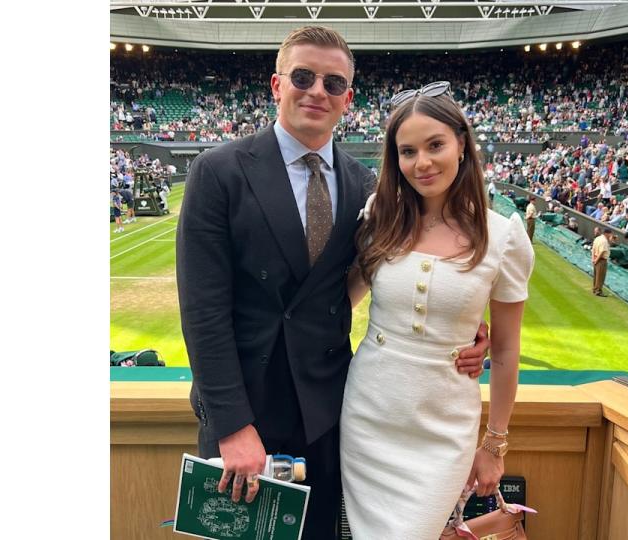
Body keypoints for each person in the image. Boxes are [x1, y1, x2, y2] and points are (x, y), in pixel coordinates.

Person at [175, 27, 488, 540]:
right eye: (303, 77)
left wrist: (470, 328)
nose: (317, 90)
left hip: (330, 414)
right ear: (277, 85)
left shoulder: (368, 186)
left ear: (349, 98)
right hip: (245, 416)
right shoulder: (218, 171)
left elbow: (408, 267)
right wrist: (232, 427)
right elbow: (202, 311)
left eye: (333, 82)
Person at [340, 83, 535, 538]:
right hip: (370, 413)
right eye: (407, 151)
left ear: (462, 144)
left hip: (445, 427)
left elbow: (505, 350)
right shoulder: (379, 217)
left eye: (435, 145)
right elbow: (341, 304)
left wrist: (495, 443)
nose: (422, 162)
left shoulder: (503, 236)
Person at [592, 228, 614, 297]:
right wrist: (597, 260)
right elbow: (602, 252)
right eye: (610, 234)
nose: (611, 235)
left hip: (596, 257)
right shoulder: (604, 241)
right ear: (607, 233)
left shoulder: (598, 238)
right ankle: (598, 291)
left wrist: (593, 259)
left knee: (596, 275)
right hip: (601, 260)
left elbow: (593, 249)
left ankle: (595, 289)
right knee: (600, 276)